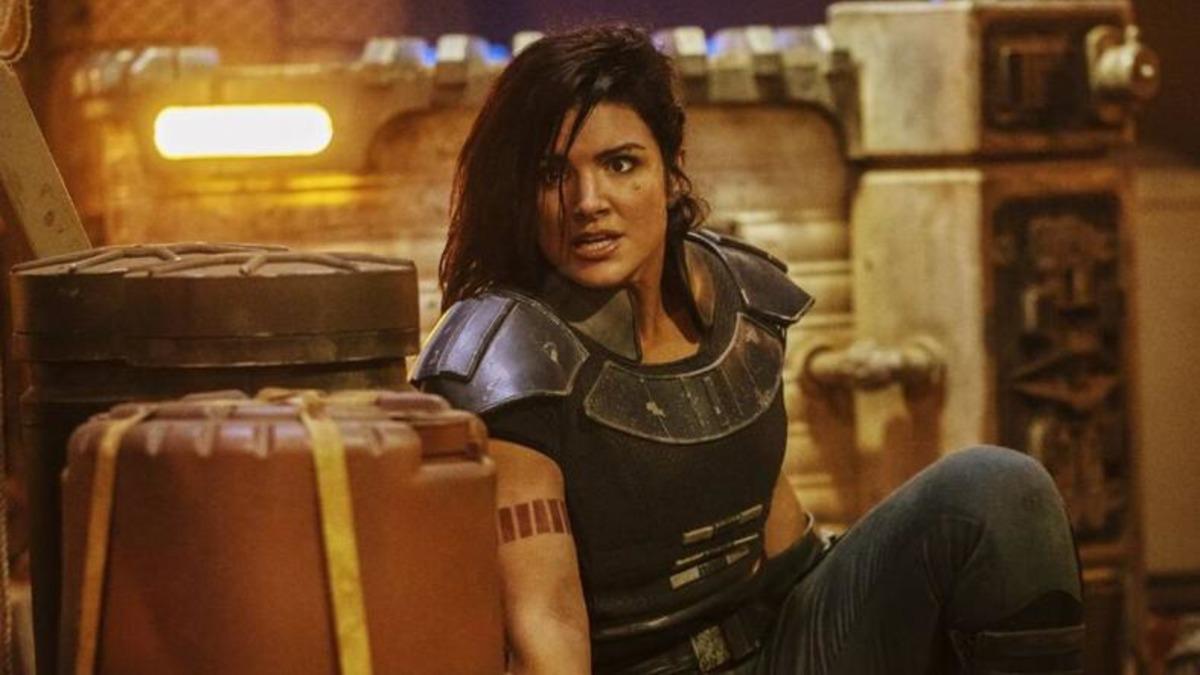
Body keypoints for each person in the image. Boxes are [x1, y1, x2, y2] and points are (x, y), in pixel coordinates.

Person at [413, 25, 1084, 675]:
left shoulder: (732, 297)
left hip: (776, 641)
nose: (588, 201)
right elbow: (549, 634)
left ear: (670, 170)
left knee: (999, 490)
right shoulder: (509, 363)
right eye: (553, 174)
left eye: (620, 164)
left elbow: (785, 549)